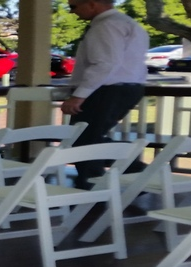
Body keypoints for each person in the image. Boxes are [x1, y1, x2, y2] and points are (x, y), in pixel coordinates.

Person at [61, 0, 149, 189]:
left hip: (108, 89)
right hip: (124, 87)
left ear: (92, 4)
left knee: (83, 139)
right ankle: (124, 176)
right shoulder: (128, 23)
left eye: (74, 6)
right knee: (88, 137)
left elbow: (104, 64)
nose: (72, 12)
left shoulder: (106, 25)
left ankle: (95, 185)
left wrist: (79, 95)